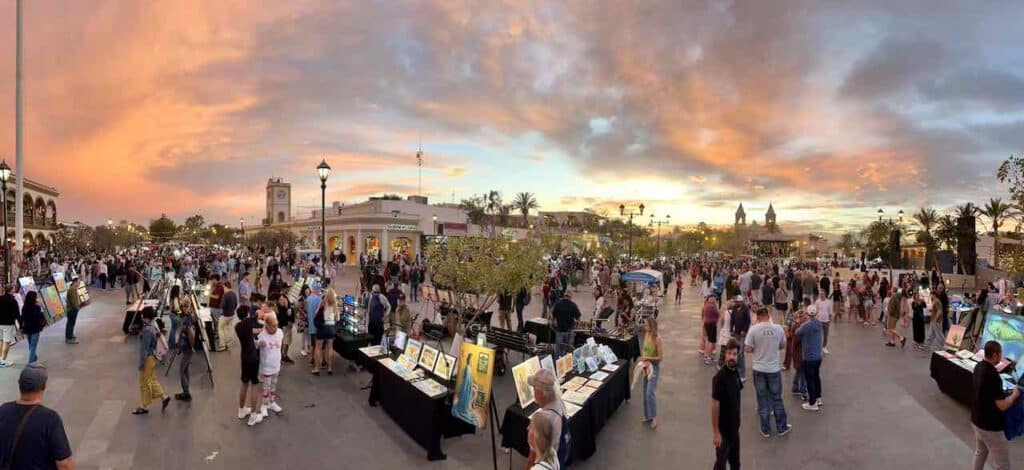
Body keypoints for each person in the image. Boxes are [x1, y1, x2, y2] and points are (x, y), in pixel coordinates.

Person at [0, 364, 74, 469]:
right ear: (43, 387)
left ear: (19, 384)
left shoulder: (3, 410)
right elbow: (64, 463)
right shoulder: (50, 419)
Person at [971, 341, 1020, 470]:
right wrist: (1014, 395)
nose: (1001, 357)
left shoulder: (979, 367)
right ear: (994, 355)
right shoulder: (992, 376)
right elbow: (1002, 406)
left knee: (981, 452)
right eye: (1000, 354)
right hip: (990, 427)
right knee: (1003, 465)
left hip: (976, 420)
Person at [745, 306, 791, 437]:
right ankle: (782, 427)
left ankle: (766, 429)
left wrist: (757, 349)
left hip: (759, 368)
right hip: (773, 368)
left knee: (762, 398)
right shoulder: (778, 328)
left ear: (758, 317)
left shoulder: (754, 329)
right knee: (777, 398)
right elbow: (782, 345)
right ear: (769, 315)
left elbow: (748, 349)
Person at [524, 368, 569, 469]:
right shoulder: (559, 403)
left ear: (540, 393)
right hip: (558, 461)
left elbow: (534, 455)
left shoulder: (544, 421)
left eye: (534, 388)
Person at [133, 308, 170, 415]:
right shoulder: (153, 326)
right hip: (153, 357)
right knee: (151, 379)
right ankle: (164, 397)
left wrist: (141, 363)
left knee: (144, 382)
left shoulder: (146, 331)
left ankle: (143, 406)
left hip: (147, 359)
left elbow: (144, 349)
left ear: (145, 317)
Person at [712, 339, 742, 470]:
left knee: (735, 464)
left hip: (734, 430)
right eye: (729, 353)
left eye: (734, 354)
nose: (731, 357)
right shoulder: (719, 378)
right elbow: (714, 405)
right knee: (720, 465)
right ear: (725, 354)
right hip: (723, 432)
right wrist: (716, 433)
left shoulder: (735, 372)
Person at [235, 305, 264, 426]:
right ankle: (253, 415)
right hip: (253, 357)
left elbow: (253, 331)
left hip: (244, 357)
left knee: (244, 382)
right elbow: (256, 319)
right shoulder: (248, 322)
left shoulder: (238, 326)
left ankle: (241, 410)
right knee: (255, 384)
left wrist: (261, 330)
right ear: (247, 314)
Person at [795, 306, 824, 411]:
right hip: (818, 356)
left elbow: (797, 333)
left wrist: (799, 322)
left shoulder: (805, 325)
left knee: (810, 380)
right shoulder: (819, 324)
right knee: (816, 377)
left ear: (807, 314)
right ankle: (818, 397)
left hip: (808, 357)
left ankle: (812, 403)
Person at [257, 312, 284, 417]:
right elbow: (257, 344)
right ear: (267, 326)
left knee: (274, 384)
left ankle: (271, 402)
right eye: (273, 326)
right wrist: (259, 344)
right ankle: (264, 405)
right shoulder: (263, 335)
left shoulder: (280, 332)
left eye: (276, 325)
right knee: (266, 386)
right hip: (267, 367)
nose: (275, 327)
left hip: (276, 365)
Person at [640, 317, 663, 429]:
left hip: (654, 367)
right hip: (646, 366)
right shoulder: (647, 334)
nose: (644, 327)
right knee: (645, 391)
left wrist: (646, 357)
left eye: (646, 325)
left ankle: (654, 417)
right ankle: (647, 415)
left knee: (650, 392)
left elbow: (660, 357)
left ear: (651, 326)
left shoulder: (657, 339)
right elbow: (644, 348)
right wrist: (644, 356)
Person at [175, 298, 197, 402]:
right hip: (184, 347)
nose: (184, 308)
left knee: (182, 370)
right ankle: (186, 391)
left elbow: (191, 334)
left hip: (187, 349)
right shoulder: (186, 317)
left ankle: (186, 392)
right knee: (185, 369)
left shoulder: (188, 319)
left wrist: (192, 347)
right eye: (183, 306)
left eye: (186, 306)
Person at [313, 289, 339, 375]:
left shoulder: (323, 303)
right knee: (330, 347)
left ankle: (317, 368)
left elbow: (316, 313)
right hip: (331, 328)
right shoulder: (335, 305)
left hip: (322, 327)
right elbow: (337, 318)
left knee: (318, 347)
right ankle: (330, 368)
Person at [552, 291, 581, 358]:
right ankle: (567, 363)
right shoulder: (573, 305)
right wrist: (577, 326)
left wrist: (554, 323)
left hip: (559, 330)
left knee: (559, 349)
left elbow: (552, 316)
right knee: (569, 350)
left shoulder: (558, 304)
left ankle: (558, 362)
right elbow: (578, 318)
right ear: (570, 297)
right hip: (570, 330)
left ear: (564, 296)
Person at [20, 292, 45, 365]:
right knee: (33, 346)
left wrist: (21, 327)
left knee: (31, 344)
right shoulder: (37, 307)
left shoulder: (24, 307)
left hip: (27, 328)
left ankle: (34, 357)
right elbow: (39, 316)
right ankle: (30, 362)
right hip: (35, 328)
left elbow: (22, 318)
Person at [0, 285, 20, 367]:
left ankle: (0, 359)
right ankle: (3, 361)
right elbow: (17, 314)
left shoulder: (0, 298)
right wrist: (21, 324)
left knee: (1, 340)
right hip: (8, 324)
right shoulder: (13, 300)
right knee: (7, 342)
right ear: (11, 290)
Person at [217, 281, 238, 351]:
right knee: (229, 329)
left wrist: (220, 305)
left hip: (225, 315)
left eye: (223, 287)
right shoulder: (234, 294)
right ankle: (228, 344)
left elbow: (222, 305)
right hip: (231, 314)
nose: (223, 289)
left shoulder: (225, 295)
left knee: (220, 329)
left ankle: (222, 345)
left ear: (226, 286)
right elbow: (236, 304)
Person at [275, 294, 295, 364]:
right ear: (278, 301)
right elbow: (281, 317)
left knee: (287, 341)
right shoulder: (279, 308)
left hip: (288, 326)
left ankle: (284, 355)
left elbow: (292, 315)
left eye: (284, 299)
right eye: (280, 299)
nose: (283, 300)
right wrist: (286, 308)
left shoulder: (288, 306)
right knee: (281, 342)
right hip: (282, 326)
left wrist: (288, 307)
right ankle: (280, 357)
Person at [207, 274, 225, 350]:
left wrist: (209, 294)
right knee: (215, 322)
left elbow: (217, 297)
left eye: (212, 280)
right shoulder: (216, 286)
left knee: (217, 322)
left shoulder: (219, 286)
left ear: (215, 279)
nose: (211, 281)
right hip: (214, 307)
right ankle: (216, 335)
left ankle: (219, 337)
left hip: (217, 308)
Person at [702, 296, 720, 366]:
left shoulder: (706, 306)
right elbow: (718, 314)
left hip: (707, 324)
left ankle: (708, 356)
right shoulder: (712, 307)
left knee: (709, 340)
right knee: (711, 341)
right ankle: (708, 358)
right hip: (712, 324)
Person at [812, 290, 832, 354]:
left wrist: (830, 320)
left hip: (826, 320)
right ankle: (817, 347)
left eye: (822, 294)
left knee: (826, 335)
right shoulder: (817, 302)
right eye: (820, 294)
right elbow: (815, 310)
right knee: (818, 334)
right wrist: (815, 319)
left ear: (825, 294)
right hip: (819, 320)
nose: (821, 295)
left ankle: (824, 347)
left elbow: (830, 311)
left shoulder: (828, 302)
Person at [64, 278, 82, 344]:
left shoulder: (73, 289)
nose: (79, 284)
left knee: (71, 323)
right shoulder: (72, 290)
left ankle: (70, 335)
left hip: (72, 309)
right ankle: (69, 338)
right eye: (78, 282)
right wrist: (77, 307)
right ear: (75, 282)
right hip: (72, 310)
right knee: (70, 324)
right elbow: (73, 301)